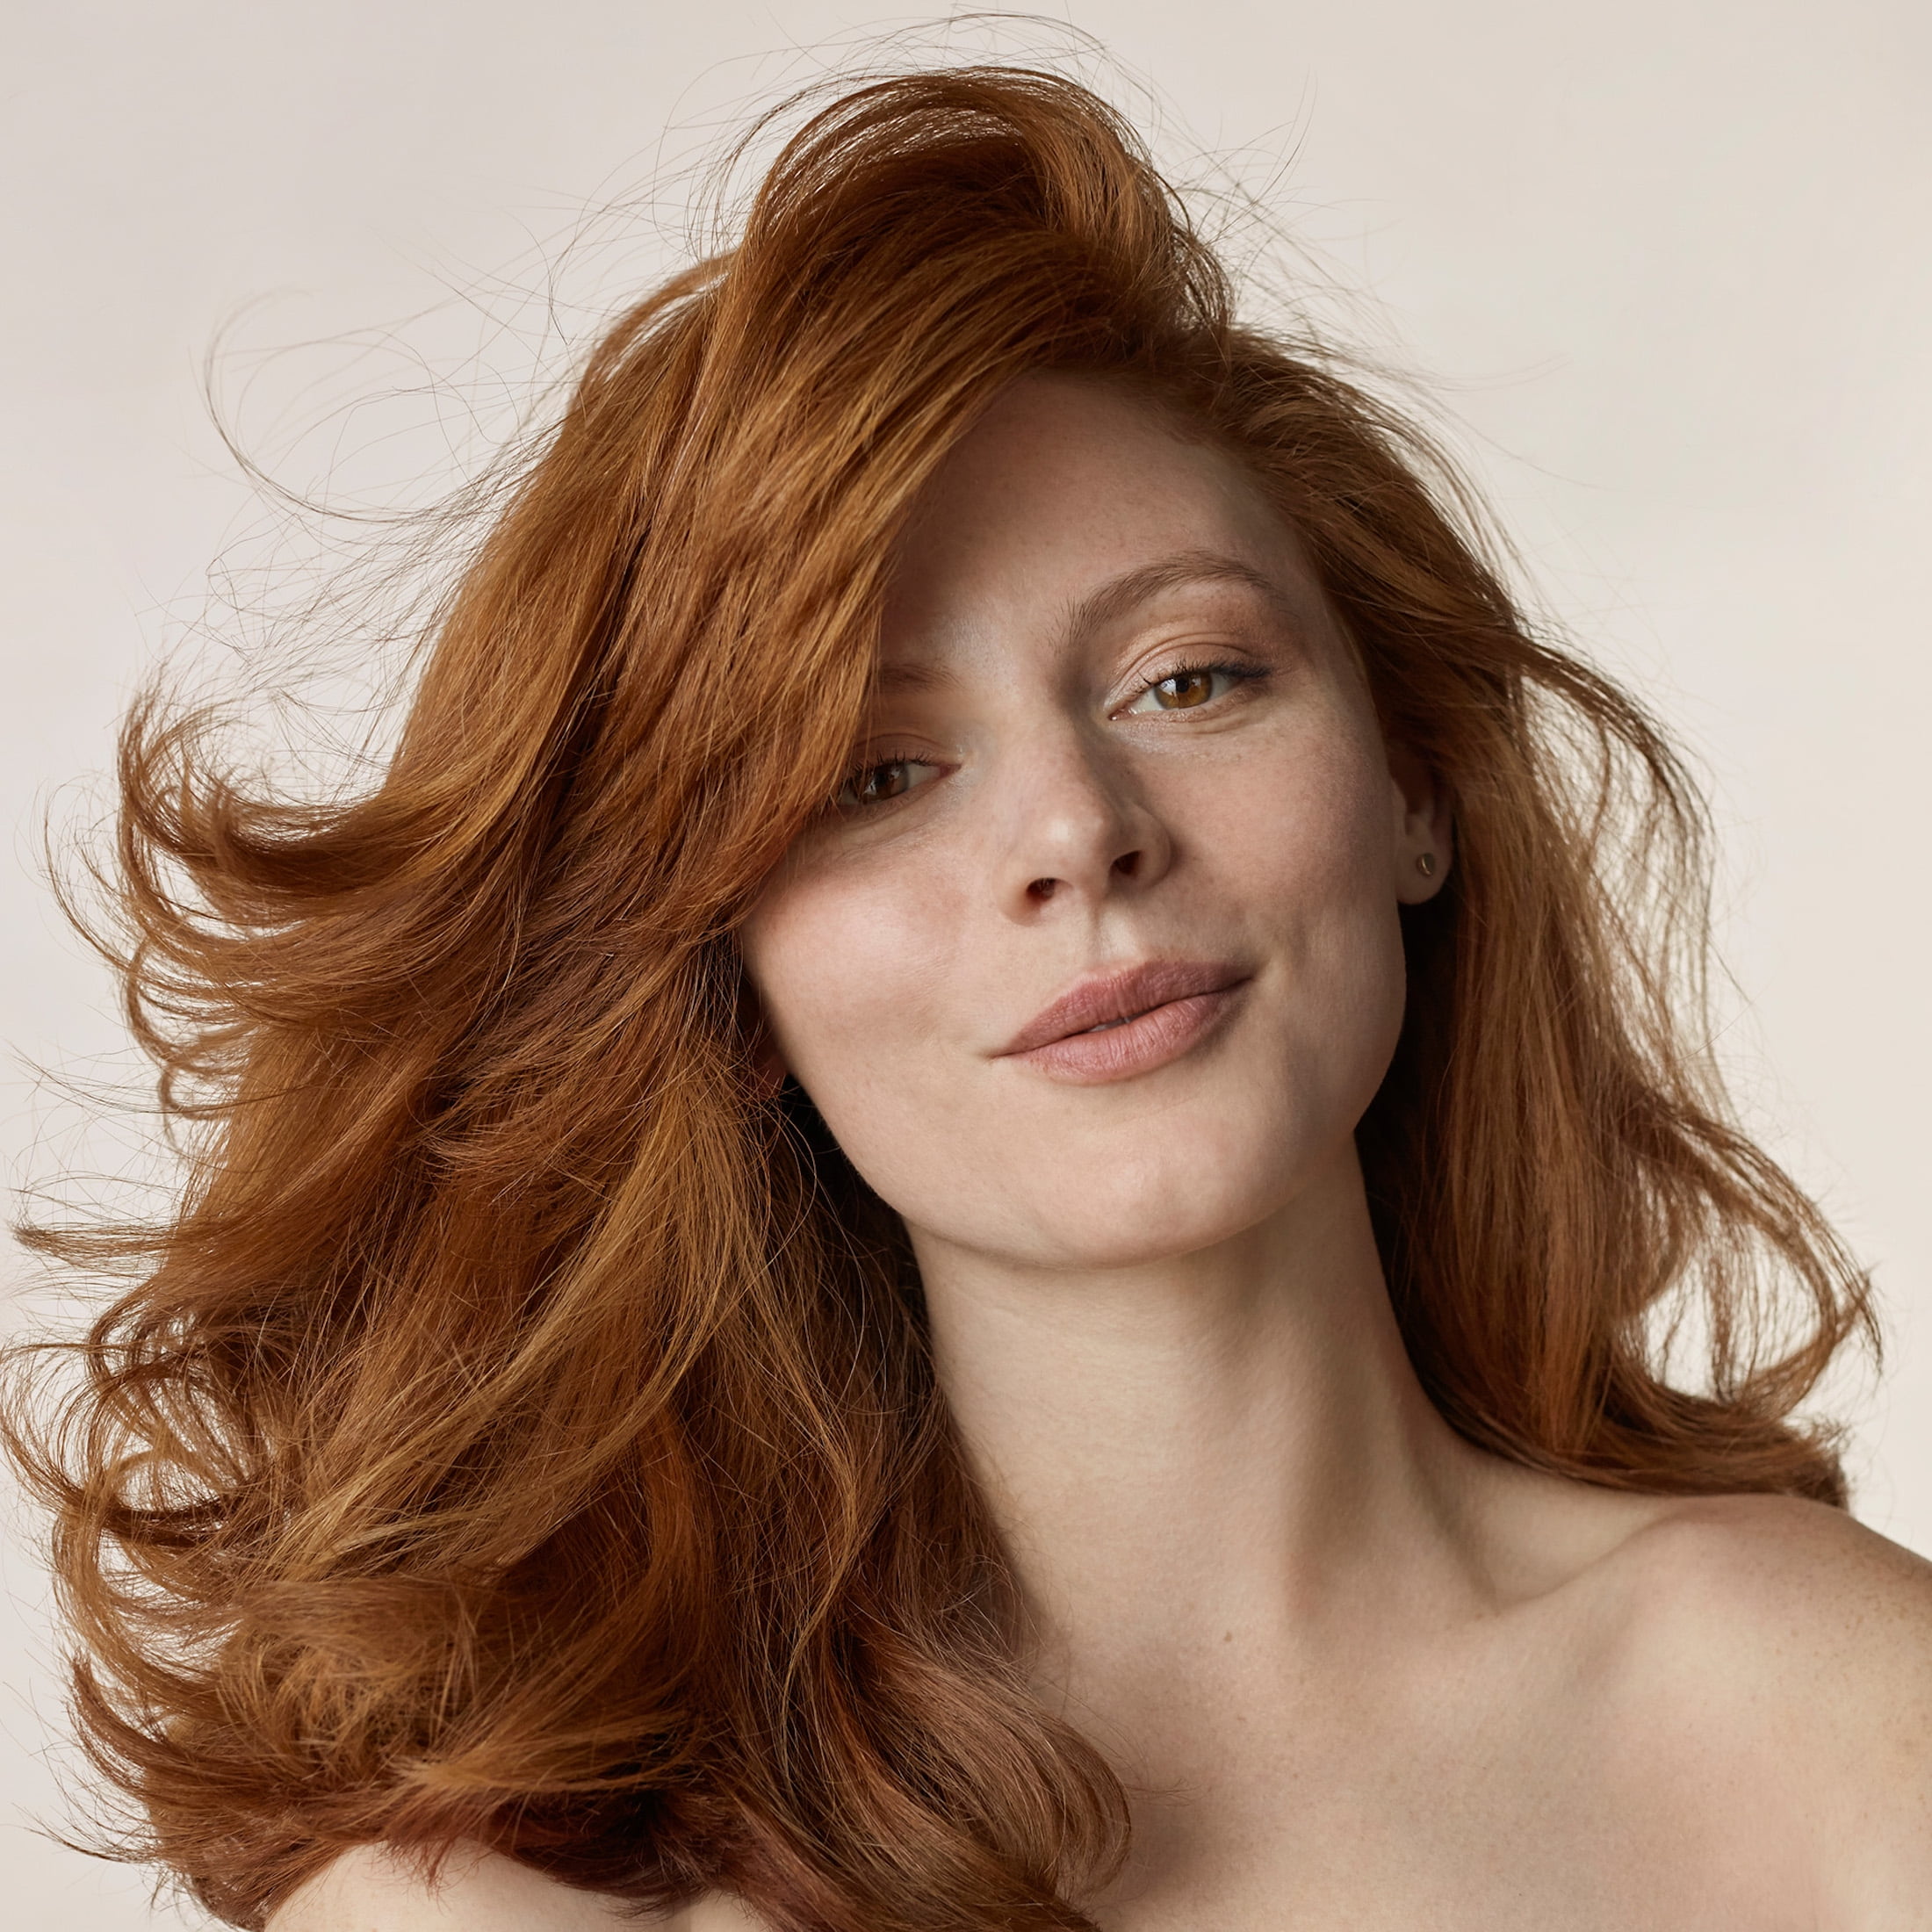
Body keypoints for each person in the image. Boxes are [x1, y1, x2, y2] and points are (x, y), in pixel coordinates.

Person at [7, 63, 1929, 1932]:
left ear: (1413, 785)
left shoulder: (1858, 1722)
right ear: (722, 980)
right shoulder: (507, 1914)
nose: (1077, 831)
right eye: (875, 774)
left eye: (1189, 680)